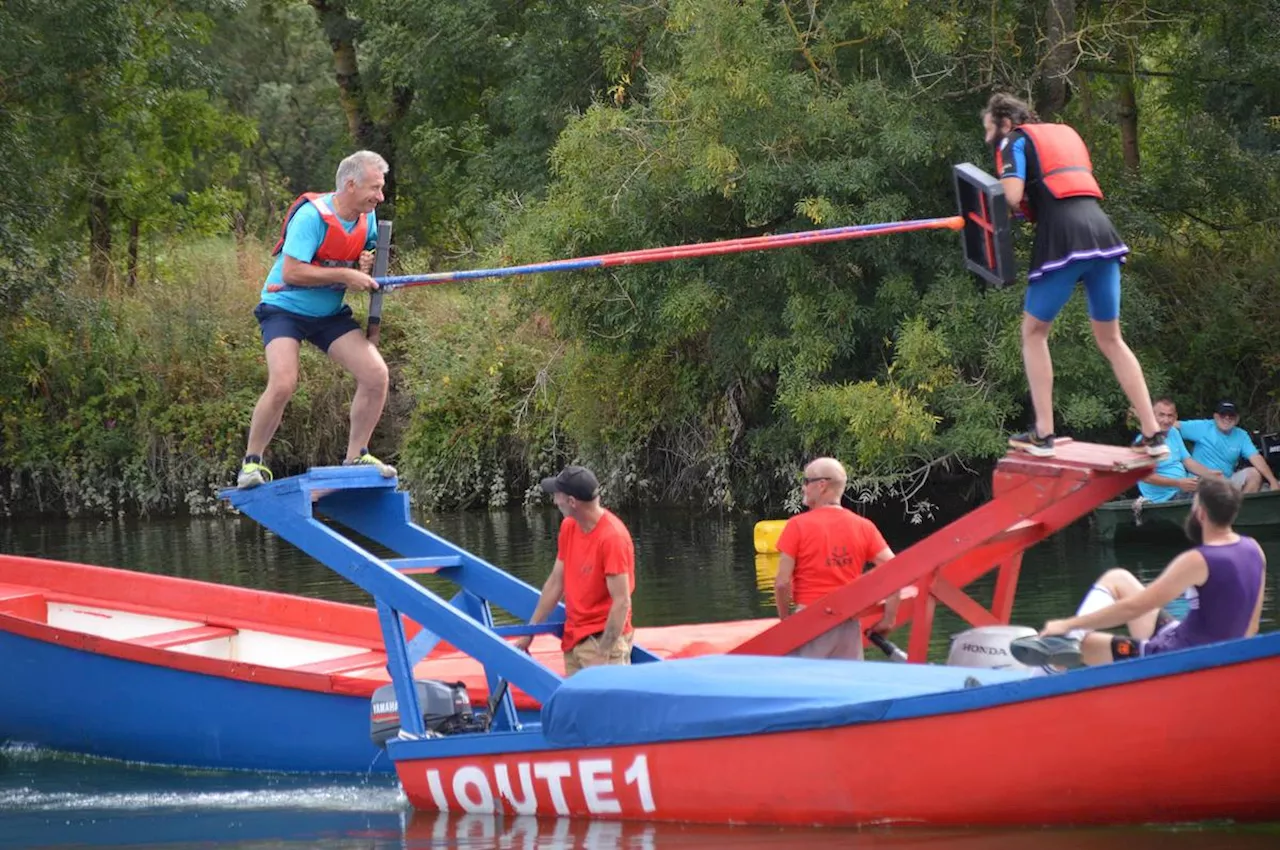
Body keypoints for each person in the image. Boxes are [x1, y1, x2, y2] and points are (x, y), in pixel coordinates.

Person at [981, 93, 1168, 461]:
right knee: (1112, 339)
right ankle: (1153, 435)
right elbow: (1056, 189)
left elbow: (1015, 195)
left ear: (1005, 123)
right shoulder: (1063, 134)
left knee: (1034, 333)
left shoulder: (1012, 140)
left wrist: (989, 200)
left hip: (1064, 241)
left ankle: (1044, 434)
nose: (990, 140)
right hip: (1103, 235)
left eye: (989, 130)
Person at [237, 150, 396, 488]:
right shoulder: (312, 217)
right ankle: (252, 464)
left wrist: (364, 266)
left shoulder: (367, 219)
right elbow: (293, 271)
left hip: (327, 315)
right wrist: (347, 275)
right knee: (283, 382)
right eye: (375, 188)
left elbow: (363, 257)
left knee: (376, 375)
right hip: (284, 309)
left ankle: (356, 456)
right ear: (350, 185)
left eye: (381, 189)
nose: (380, 197)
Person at [1011, 476, 1266, 670]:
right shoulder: (1254, 549)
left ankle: (1050, 665)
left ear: (1200, 513)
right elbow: (1251, 626)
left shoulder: (1198, 560)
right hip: (1193, 643)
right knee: (1118, 578)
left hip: (1179, 656)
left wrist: (1068, 622)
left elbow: (1135, 608)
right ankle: (1067, 640)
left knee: (1084, 646)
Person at [773, 457, 898, 660]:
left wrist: (785, 620)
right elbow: (895, 569)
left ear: (822, 485)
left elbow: (781, 583)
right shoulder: (863, 526)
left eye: (806, 482)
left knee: (807, 686)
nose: (803, 488)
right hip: (848, 622)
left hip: (809, 621)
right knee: (847, 685)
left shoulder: (797, 526)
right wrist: (889, 618)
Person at [515, 465, 636, 676]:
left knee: (607, 709)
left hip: (603, 642)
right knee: (578, 709)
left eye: (557, 496)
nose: (554, 502)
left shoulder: (612, 538)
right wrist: (530, 631)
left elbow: (622, 601)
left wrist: (603, 653)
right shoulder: (569, 527)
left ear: (572, 502)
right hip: (574, 640)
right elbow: (555, 583)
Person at [1176, 400, 1279, 494]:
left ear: (1237, 418)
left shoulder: (1241, 435)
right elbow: (1171, 425)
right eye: (1223, 414)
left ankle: (1243, 511)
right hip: (1201, 480)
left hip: (1226, 481)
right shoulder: (1203, 426)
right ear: (1215, 416)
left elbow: (1256, 457)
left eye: (1231, 415)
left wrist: (1273, 481)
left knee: (1254, 474)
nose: (1227, 418)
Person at [1135, 398, 1222, 503]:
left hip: (1180, 490)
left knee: (1221, 489)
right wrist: (1178, 483)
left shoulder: (1173, 432)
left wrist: (1208, 473)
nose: (1166, 420)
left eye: (1170, 415)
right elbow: (1145, 477)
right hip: (1163, 499)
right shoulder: (1145, 441)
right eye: (1161, 415)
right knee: (1210, 497)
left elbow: (1187, 461)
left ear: (1175, 417)